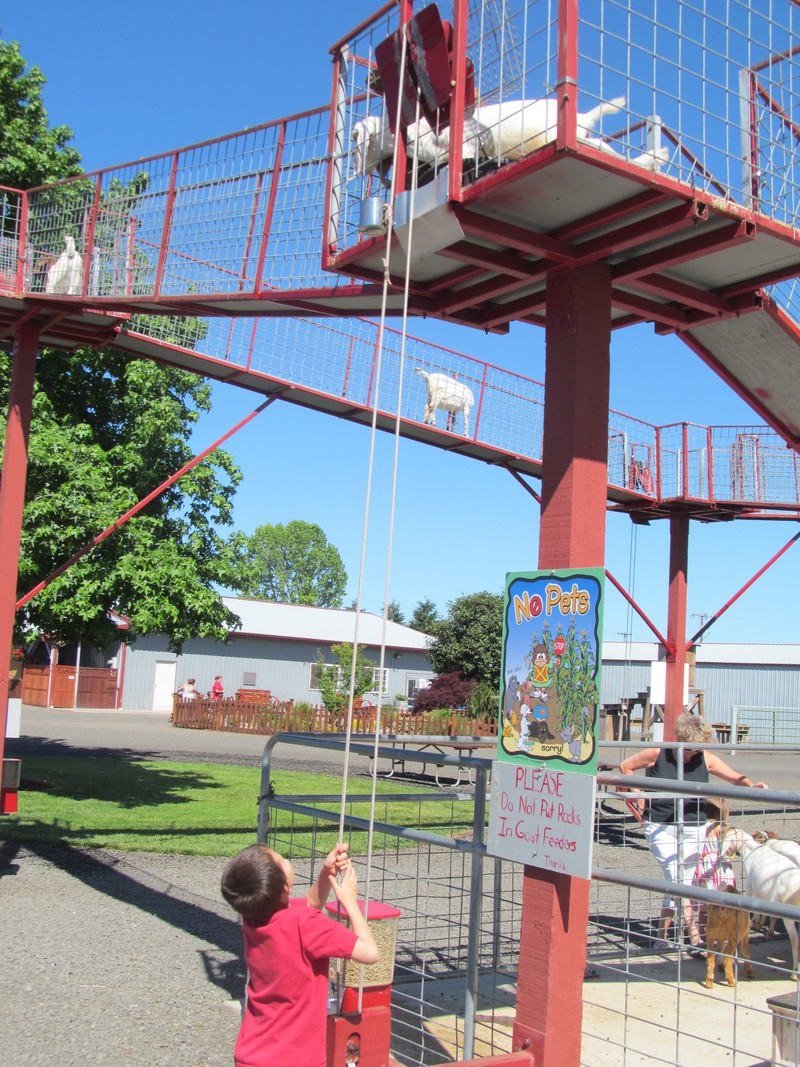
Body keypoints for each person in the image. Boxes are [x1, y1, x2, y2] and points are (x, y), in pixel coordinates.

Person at [221, 842, 379, 1067]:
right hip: (295, 1059)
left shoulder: (254, 917)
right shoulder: (305, 924)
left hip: (251, 1055)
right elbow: (370, 952)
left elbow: (310, 903)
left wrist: (327, 872)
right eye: (283, 860)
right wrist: (350, 903)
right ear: (285, 888)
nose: (287, 860)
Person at [619, 711, 767, 948]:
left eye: (697, 749)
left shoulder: (705, 758)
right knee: (677, 878)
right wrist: (639, 796)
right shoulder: (659, 753)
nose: (693, 753)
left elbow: (734, 778)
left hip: (693, 825)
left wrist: (753, 786)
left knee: (680, 881)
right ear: (679, 740)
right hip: (660, 824)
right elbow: (626, 767)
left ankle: (660, 939)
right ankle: (695, 937)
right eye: (689, 749)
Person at [690, 798, 736, 942]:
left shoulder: (700, 827)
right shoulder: (721, 828)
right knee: (722, 905)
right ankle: (722, 935)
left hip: (704, 866)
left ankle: (703, 937)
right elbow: (729, 848)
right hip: (719, 868)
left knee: (704, 908)